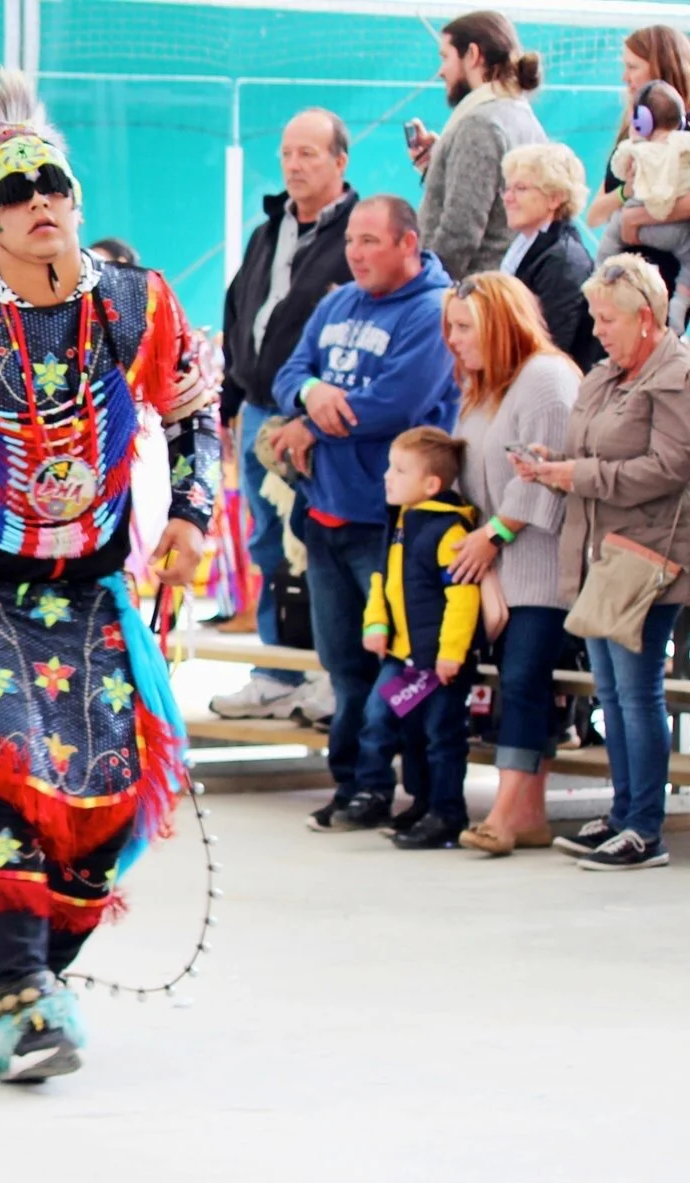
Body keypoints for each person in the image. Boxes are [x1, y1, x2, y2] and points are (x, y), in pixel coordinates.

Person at [0, 57, 217, 1084]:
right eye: (12, 192)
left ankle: (33, 969)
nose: (36, 203)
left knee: (109, 801)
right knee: (13, 775)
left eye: (51, 185)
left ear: (75, 201)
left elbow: (196, 413)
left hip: (91, 591)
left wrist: (192, 516)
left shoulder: (137, 303)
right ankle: (22, 991)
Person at [270, 196, 459, 831]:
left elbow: (396, 405)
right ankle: (356, 785)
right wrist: (308, 394)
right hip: (325, 516)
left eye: (370, 241)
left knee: (397, 670)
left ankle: (416, 791)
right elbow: (287, 371)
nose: (354, 252)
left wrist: (312, 427)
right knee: (344, 669)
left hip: (389, 527)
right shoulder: (336, 301)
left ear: (408, 244)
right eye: (351, 240)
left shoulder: (432, 311)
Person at [518, 255, 690, 872]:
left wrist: (577, 475)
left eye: (607, 318)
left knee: (637, 696)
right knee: (612, 695)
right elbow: (586, 451)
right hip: (598, 554)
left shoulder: (676, 378)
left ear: (646, 319)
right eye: (593, 315)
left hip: (646, 561)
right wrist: (548, 462)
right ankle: (623, 814)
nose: (598, 328)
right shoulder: (602, 375)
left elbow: (671, 468)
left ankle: (644, 828)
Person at [212, 108, 359, 723]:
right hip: (256, 409)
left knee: (321, 547)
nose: (295, 166)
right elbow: (237, 309)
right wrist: (227, 403)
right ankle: (276, 670)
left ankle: (332, 673)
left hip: (319, 423)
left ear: (339, 162)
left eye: (309, 154)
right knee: (266, 544)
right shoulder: (269, 228)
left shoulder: (359, 231)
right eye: (287, 154)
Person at [440, 273, 579, 855]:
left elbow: (548, 477)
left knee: (523, 683)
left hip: (540, 569)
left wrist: (492, 535)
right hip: (494, 569)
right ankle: (528, 814)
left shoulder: (545, 379)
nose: (453, 339)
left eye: (465, 327)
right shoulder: (481, 389)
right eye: (450, 326)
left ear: (499, 326)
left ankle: (504, 810)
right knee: (515, 687)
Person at [338, 427, 480, 847]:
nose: (388, 477)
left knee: (442, 736)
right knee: (386, 723)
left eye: (399, 470)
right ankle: (411, 800)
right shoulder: (401, 522)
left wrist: (451, 653)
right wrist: (376, 625)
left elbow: (462, 597)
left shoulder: (449, 532)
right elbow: (383, 579)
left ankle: (447, 813)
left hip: (439, 664)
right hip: (403, 656)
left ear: (431, 484)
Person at [406, 10, 546, 281]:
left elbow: (460, 232)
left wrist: (421, 292)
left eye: (445, 57)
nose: (440, 71)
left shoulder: (479, 125)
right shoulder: (524, 117)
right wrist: (440, 165)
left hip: (469, 296)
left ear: (472, 54)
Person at [584, 25, 690, 294]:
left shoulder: (683, 135)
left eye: (632, 67)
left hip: (668, 272)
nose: (624, 77)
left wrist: (634, 218)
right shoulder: (631, 131)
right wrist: (624, 194)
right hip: (626, 269)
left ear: (659, 68)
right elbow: (595, 214)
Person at [498, 142, 602, 369]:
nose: (507, 198)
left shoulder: (564, 261)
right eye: (507, 188)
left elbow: (551, 345)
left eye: (521, 188)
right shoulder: (526, 245)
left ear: (555, 198)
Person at [597, 81, 690, 320]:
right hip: (678, 234)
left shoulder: (639, 148)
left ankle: (599, 276)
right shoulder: (683, 143)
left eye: (632, 67)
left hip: (644, 226)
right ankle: (679, 309)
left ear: (643, 121)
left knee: (614, 229)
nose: (627, 77)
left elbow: (618, 170)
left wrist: (632, 142)